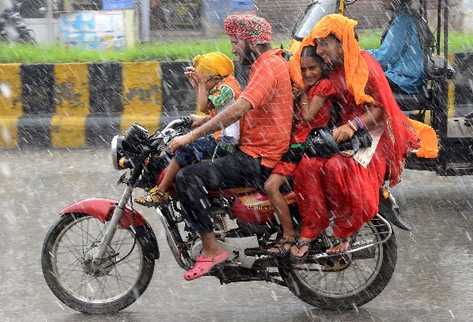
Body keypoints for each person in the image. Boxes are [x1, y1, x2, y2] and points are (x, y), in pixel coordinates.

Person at [168, 14, 293, 281]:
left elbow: (237, 110)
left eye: (235, 42)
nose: (233, 48)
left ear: (251, 41)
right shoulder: (267, 64)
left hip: (257, 158)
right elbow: (236, 112)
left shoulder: (267, 67)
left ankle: (212, 247)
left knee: (186, 177)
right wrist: (200, 120)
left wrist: (190, 137)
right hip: (257, 150)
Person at [288, 14, 419, 258]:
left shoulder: (366, 66)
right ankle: (311, 228)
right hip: (343, 132)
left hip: (372, 132)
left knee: (339, 168)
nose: (319, 50)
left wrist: (352, 125)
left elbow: (381, 110)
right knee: (307, 167)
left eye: (324, 44)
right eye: (318, 44)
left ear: (341, 41)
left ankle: (345, 233)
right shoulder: (334, 68)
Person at [135, 52, 241, 207]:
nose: (203, 82)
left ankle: (161, 191)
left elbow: (204, 107)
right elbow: (217, 113)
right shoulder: (223, 83)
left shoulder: (226, 89)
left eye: (205, 78)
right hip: (221, 137)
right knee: (176, 149)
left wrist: (201, 85)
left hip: (226, 142)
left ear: (215, 77)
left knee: (185, 149)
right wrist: (200, 85)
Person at [264, 45, 336, 256]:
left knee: (271, 187)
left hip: (303, 145)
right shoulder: (305, 86)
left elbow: (307, 116)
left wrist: (302, 92)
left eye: (312, 68)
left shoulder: (323, 86)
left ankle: (288, 235)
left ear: (322, 66)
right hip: (293, 142)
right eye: (302, 70)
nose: (308, 74)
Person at [369, 0, 427, 95]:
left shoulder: (403, 20)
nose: (381, 1)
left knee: (362, 82)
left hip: (404, 79)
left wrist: (361, 55)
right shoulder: (406, 16)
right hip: (407, 75)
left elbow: (385, 57)